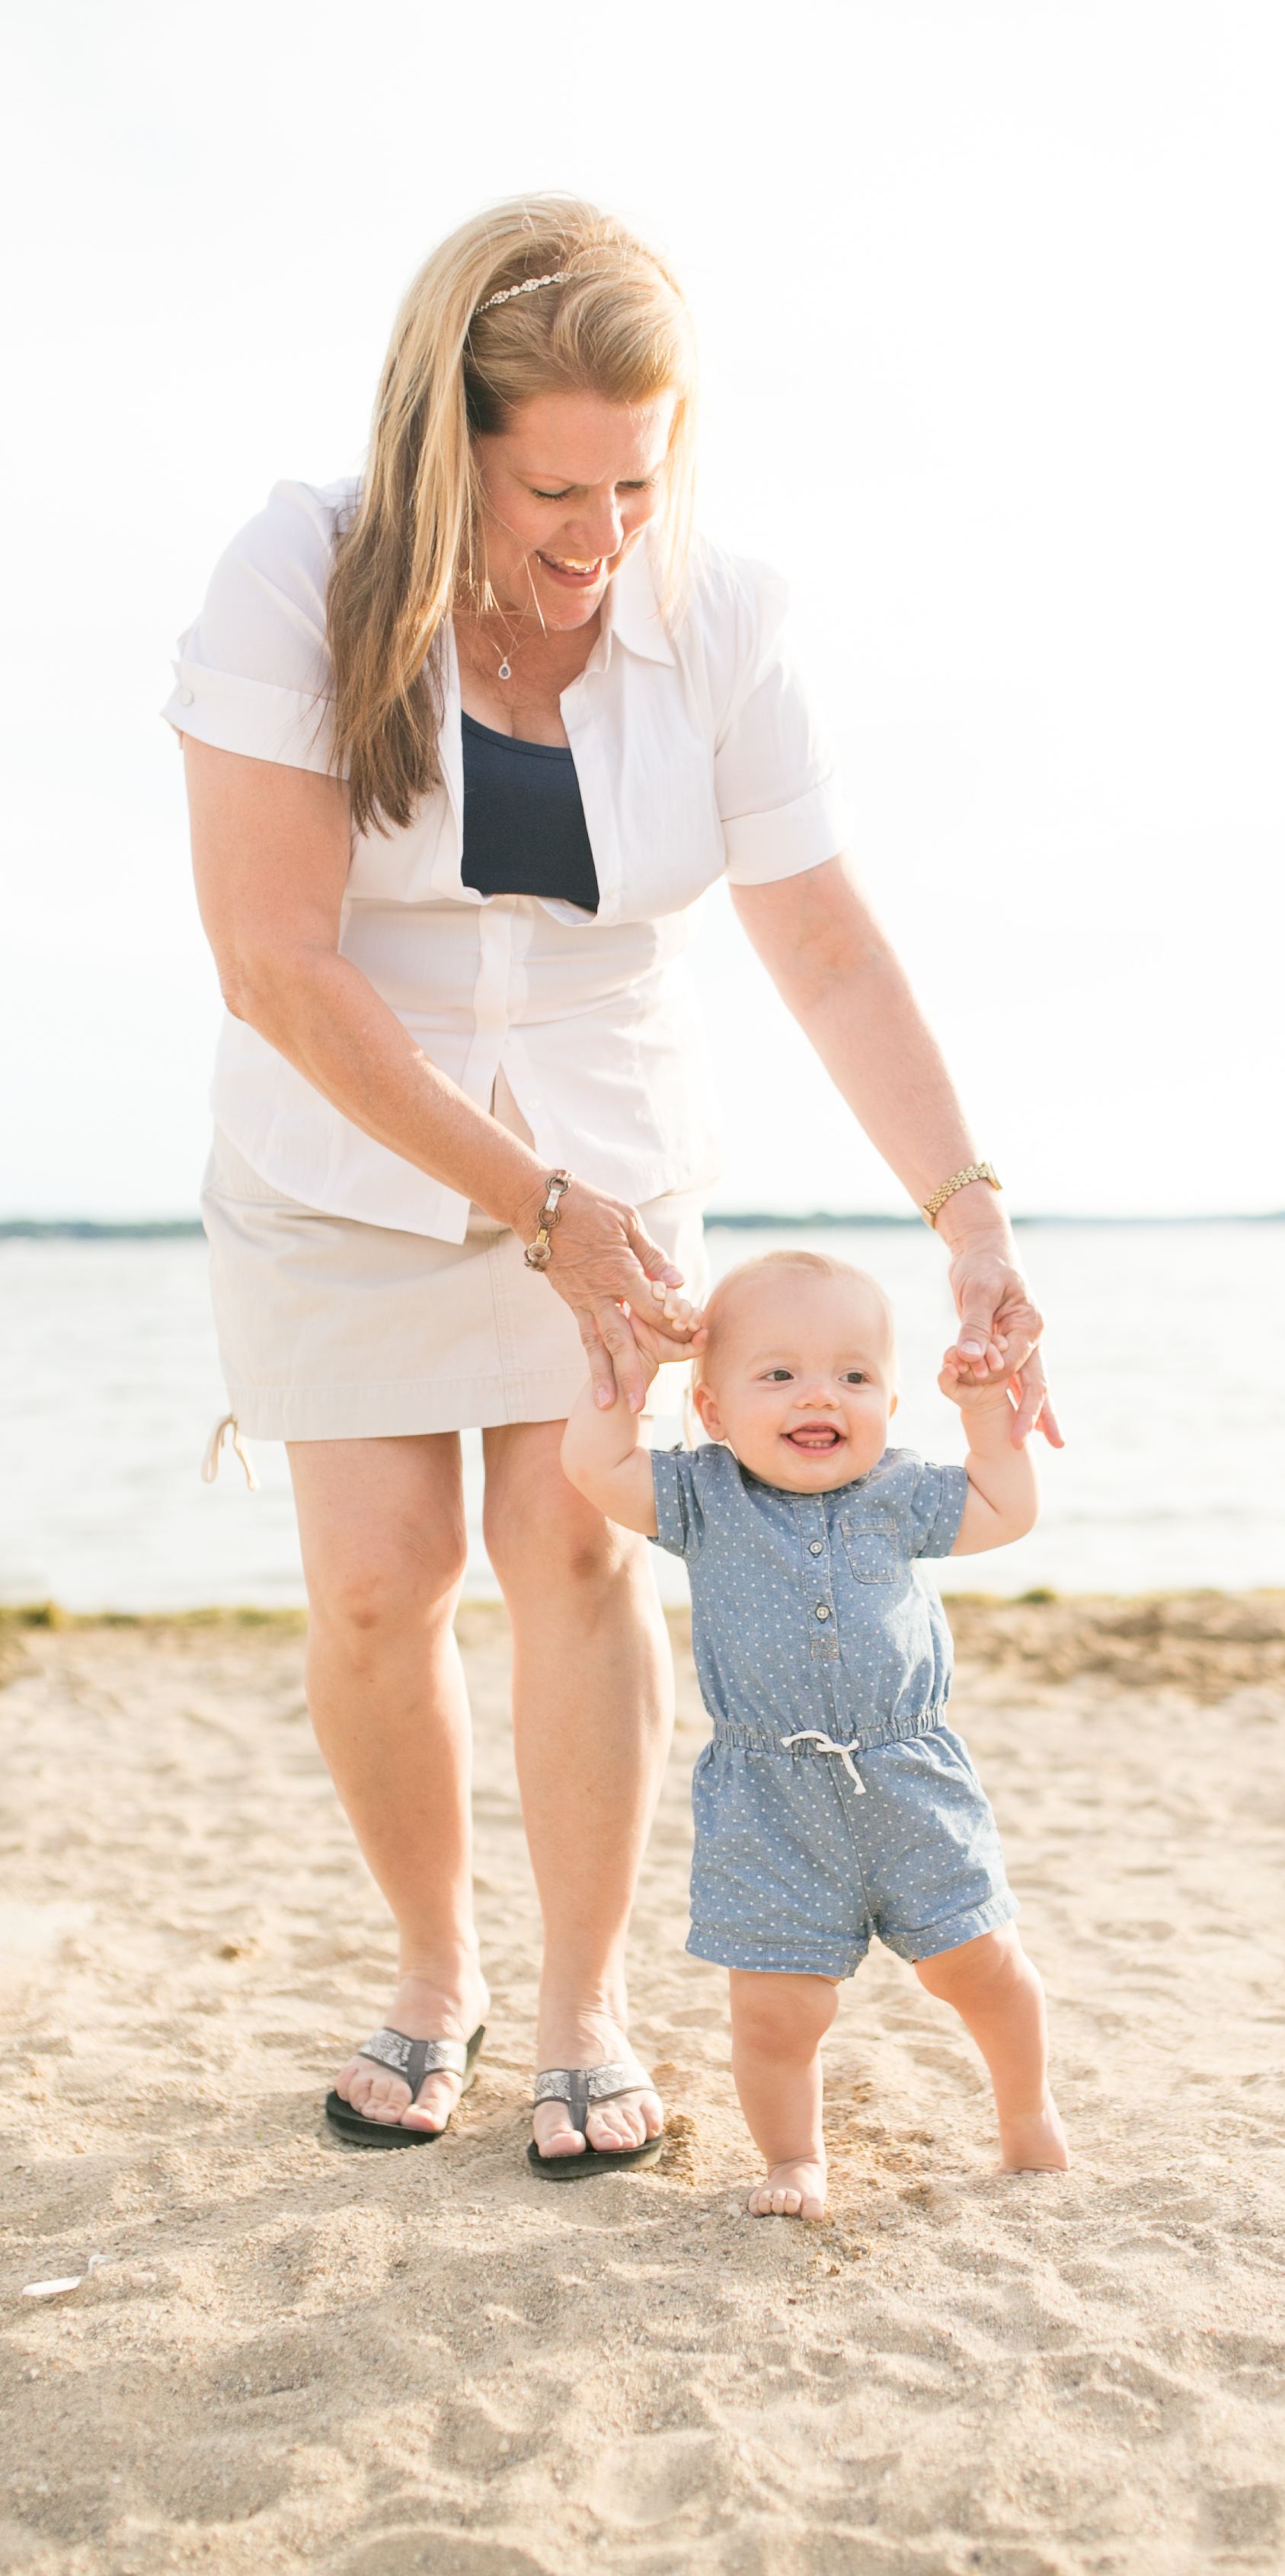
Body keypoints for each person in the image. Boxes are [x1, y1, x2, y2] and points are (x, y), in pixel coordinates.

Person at [170, 194, 1059, 2169]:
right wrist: (529, 1203)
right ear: (441, 438)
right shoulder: (296, 577)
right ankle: (433, 1970)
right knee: (376, 1584)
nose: (594, 537)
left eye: (633, 485)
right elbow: (276, 961)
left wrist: (966, 1210)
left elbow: (819, 939)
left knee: (571, 1549)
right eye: (548, 488)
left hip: (616, 1167)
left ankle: (580, 2005)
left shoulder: (717, 615)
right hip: (345, 1148)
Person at [561, 1248, 1069, 2215]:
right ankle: (794, 2157)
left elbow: (1008, 1508)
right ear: (711, 1411)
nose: (817, 1397)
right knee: (774, 2010)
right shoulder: (703, 1497)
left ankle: (1026, 2112)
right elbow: (592, 1462)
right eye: (778, 1374)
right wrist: (637, 1363)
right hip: (767, 1798)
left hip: (909, 1775)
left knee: (982, 1968)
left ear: (888, 1400)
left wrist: (980, 1415)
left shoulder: (902, 1492)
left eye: (853, 1375)